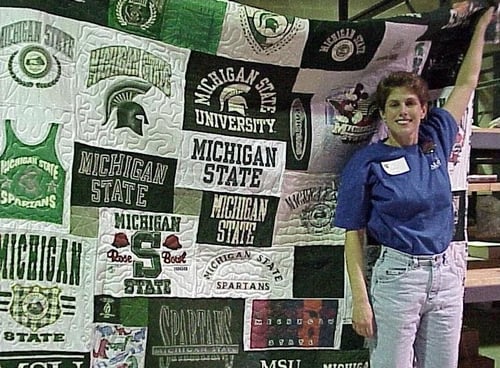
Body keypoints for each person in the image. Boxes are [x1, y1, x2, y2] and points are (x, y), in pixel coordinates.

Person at [333, 7, 495, 368]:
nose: (402, 111)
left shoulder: (436, 137)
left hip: (448, 275)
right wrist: (360, 300)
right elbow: (353, 235)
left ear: (424, 109)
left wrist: (481, 25)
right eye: (394, 105)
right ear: (384, 113)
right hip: (398, 280)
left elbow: (467, 84)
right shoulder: (367, 162)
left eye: (410, 103)